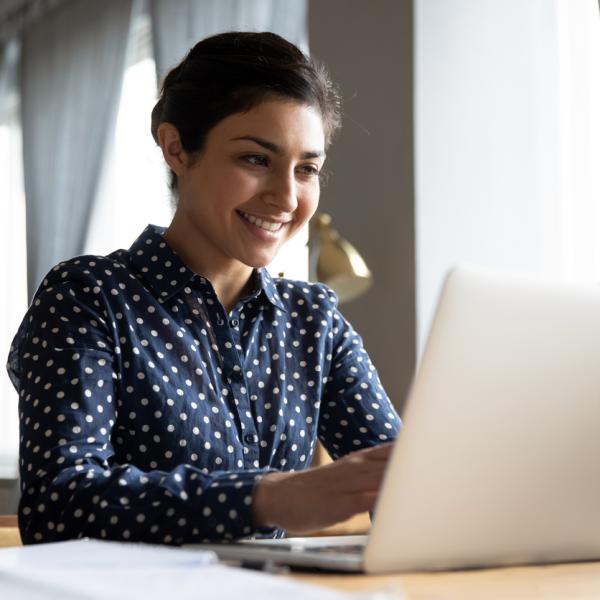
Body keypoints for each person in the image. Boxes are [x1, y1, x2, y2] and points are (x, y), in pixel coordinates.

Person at [7, 31, 400, 545]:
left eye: (307, 169)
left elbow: (401, 483)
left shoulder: (314, 320)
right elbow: (57, 503)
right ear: (176, 148)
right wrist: (268, 497)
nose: (286, 197)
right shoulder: (88, 297)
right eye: (256, 159)